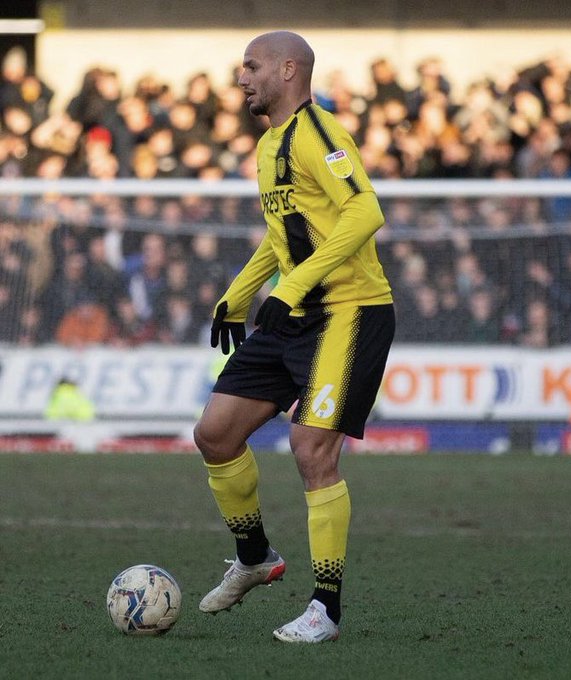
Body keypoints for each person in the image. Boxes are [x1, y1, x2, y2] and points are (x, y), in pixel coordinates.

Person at [193, 31, 394, 644]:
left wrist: (293, 285)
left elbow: (365, 211)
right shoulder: (267, 144)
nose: (241, 78)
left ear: (287, 70)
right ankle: (255, 557)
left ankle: (325, 610)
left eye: (251, 66)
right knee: (215, 433)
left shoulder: (320, 133)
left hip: (348, 312)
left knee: (311, 449)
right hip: (294, 314)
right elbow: (281, 233)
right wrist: (239, 293)